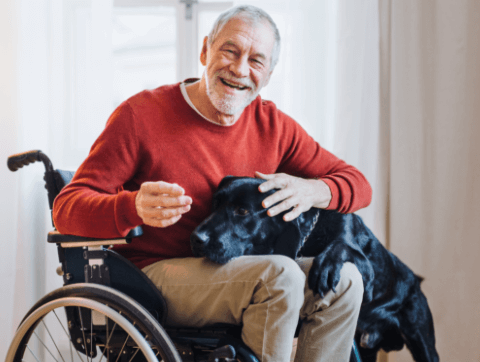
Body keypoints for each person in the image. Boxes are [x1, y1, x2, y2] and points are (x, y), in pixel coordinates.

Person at [53, 5, 372, 362]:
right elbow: (66, 209)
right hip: (154, 276)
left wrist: (312, 190)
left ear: (267, 74)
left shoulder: (274, 126)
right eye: (229, 51)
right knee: (280, 275)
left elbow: (358, 185)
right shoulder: (141, 115)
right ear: (205, 50)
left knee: (345, 280)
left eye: (256, 60)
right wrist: (131, 206)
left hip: (237, 269)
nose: (239, 69)